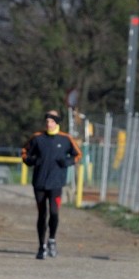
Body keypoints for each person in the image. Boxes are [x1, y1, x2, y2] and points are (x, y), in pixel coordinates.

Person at [21, 110, 82, 259]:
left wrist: (66, 162)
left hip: (56, 183)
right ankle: (41, 246)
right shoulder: (37, 138)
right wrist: (33, 161)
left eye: (52, 121)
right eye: (47, 121)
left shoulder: (65, 139)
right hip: (40, 183)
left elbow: (77, 155)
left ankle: (52, 240)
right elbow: (24, 153)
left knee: (54, 212)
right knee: (42, 215)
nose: (49, 124)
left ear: (57, 123)